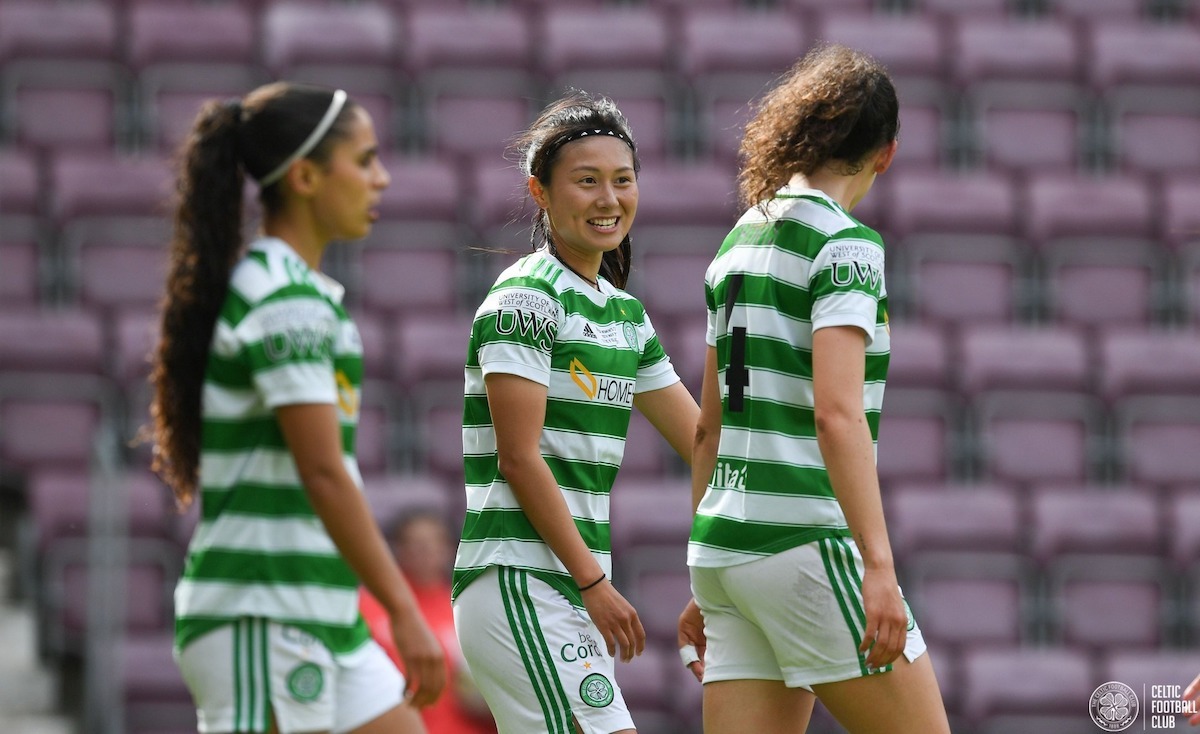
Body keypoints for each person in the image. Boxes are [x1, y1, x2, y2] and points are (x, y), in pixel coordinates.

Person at [148, 81, 445, 734]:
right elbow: (323, 473)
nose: (382, 178)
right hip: (263, 611)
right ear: (306, 177)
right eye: (364, 160)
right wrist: (404, 608)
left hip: (320, 612)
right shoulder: (286, 303)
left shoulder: (298, 293)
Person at [676, 45, 952, 734]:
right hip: (803, 539)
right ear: (885, 154)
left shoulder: (737, 242)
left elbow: (707, 427)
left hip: (724, 548)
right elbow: (837, 414)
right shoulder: (846, 245)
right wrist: (878, 566)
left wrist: (711, 572)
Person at [450, 90, 700, 734]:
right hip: (520, 579)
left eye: (623, 180)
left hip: (568, 585)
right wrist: (593, 583)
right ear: (540, 191)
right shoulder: (526, 297)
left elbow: (704, 443)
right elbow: (518, 458)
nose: (609, 199)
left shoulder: (625, 314)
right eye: (586, 181)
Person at [361, 509, 498, 734]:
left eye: (434, 542)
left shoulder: (468, 607)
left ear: (450, 548)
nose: (424, 551)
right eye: (414, 543)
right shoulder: (370, 607)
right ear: (397, 549)